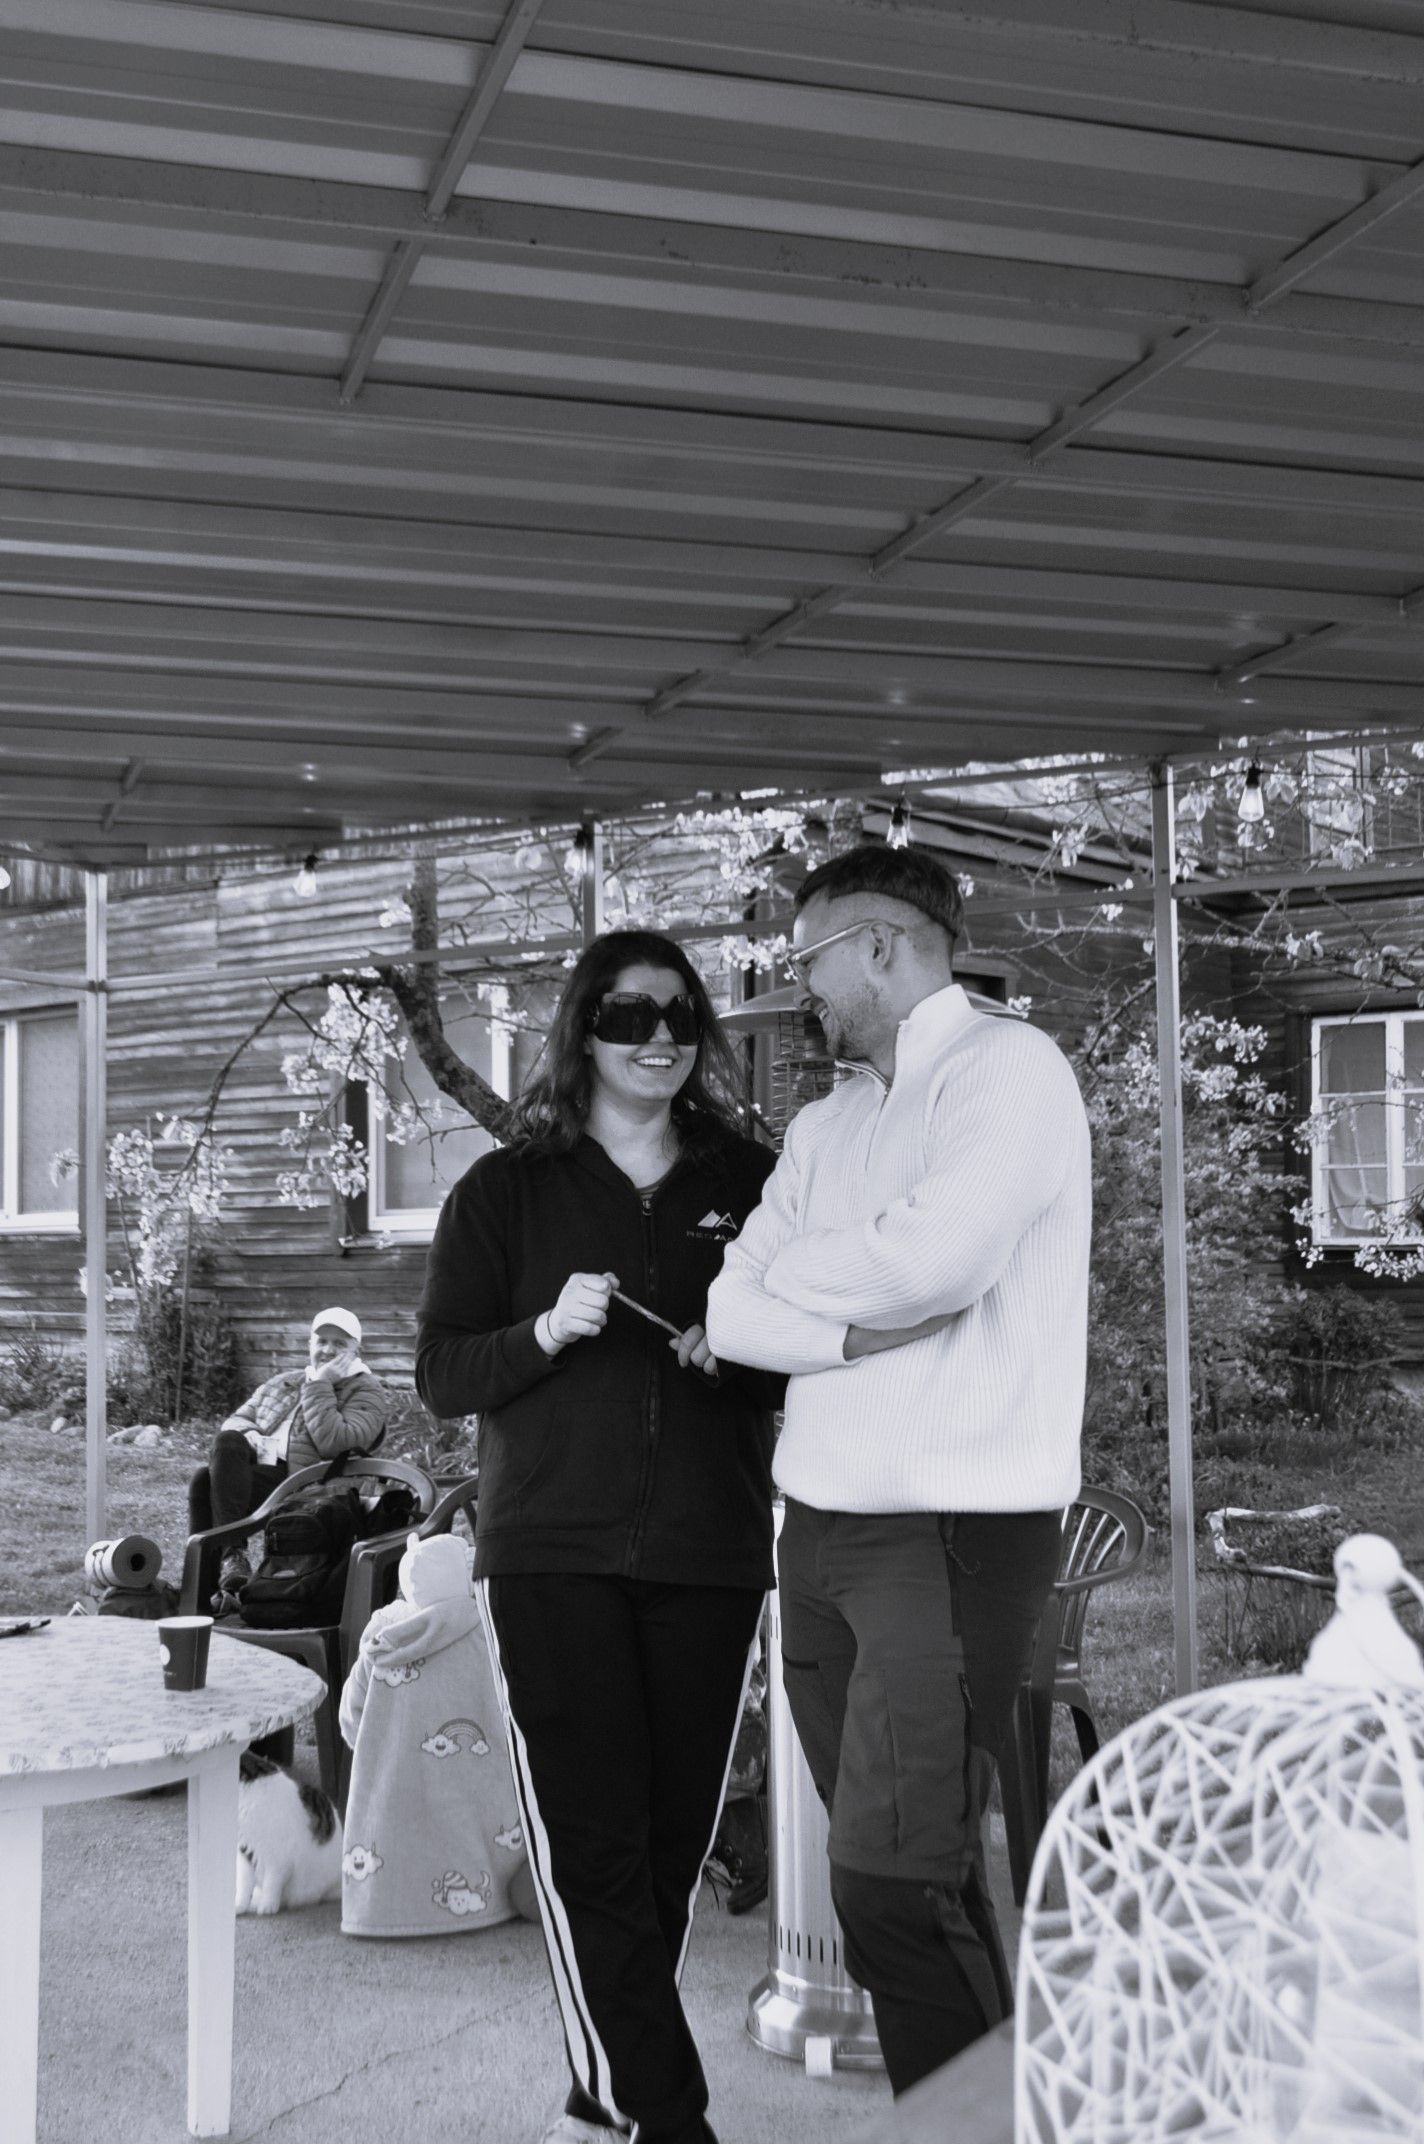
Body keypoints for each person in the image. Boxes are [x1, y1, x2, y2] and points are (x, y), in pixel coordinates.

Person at [705, 844, 1090, 2096]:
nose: (798, 988)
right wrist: (844, 1326)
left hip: (950, 1529)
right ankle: (990, 2112)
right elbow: (728, 1312)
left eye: (807, 960)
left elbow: (938, 1262)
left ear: (877, 943)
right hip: (815, 1532)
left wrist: (794, 1277)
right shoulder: (826, 1121)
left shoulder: (1007, 1069)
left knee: (889, 1886)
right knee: (916, 1874)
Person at [415, 929, 783, 2144]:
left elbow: (808, 1351)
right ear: (582, 1028)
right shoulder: (504, 1190)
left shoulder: (756, 1179)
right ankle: (667, 2114)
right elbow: (441, 1373)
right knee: (592, 1843)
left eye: (680, 1015)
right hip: (551, 1554)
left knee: (668, 1842)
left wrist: (740, 1353)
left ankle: (599, 2088)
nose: (658, 1037)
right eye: (629, 1014)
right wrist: (541, 1332)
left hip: (710, 1550)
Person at [339, 1528, 540, 1937]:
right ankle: (497, 1894)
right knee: (483, 1828)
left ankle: (397, 1904)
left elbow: (352, 1715)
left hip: (401, 1782)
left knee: (402, 1835)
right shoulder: (490, 1629)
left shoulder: (384, 1639)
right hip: (481, 1777)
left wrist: (376, 1754)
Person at [187, 1306, 390, 1601]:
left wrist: (320, 1384)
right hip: (262, 1471)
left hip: (311, 1482)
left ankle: (212, 1584)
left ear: (356, 1351)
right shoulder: (284, 1381)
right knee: (214, 1461)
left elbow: (336, 1443)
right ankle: (224, 1570)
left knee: (205, 1482)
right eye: (321, 1341)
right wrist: (249, 1432)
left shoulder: (366, 1390)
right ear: (309, 1344)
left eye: (339, 1343)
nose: (327, 1350)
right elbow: (235, 1419)